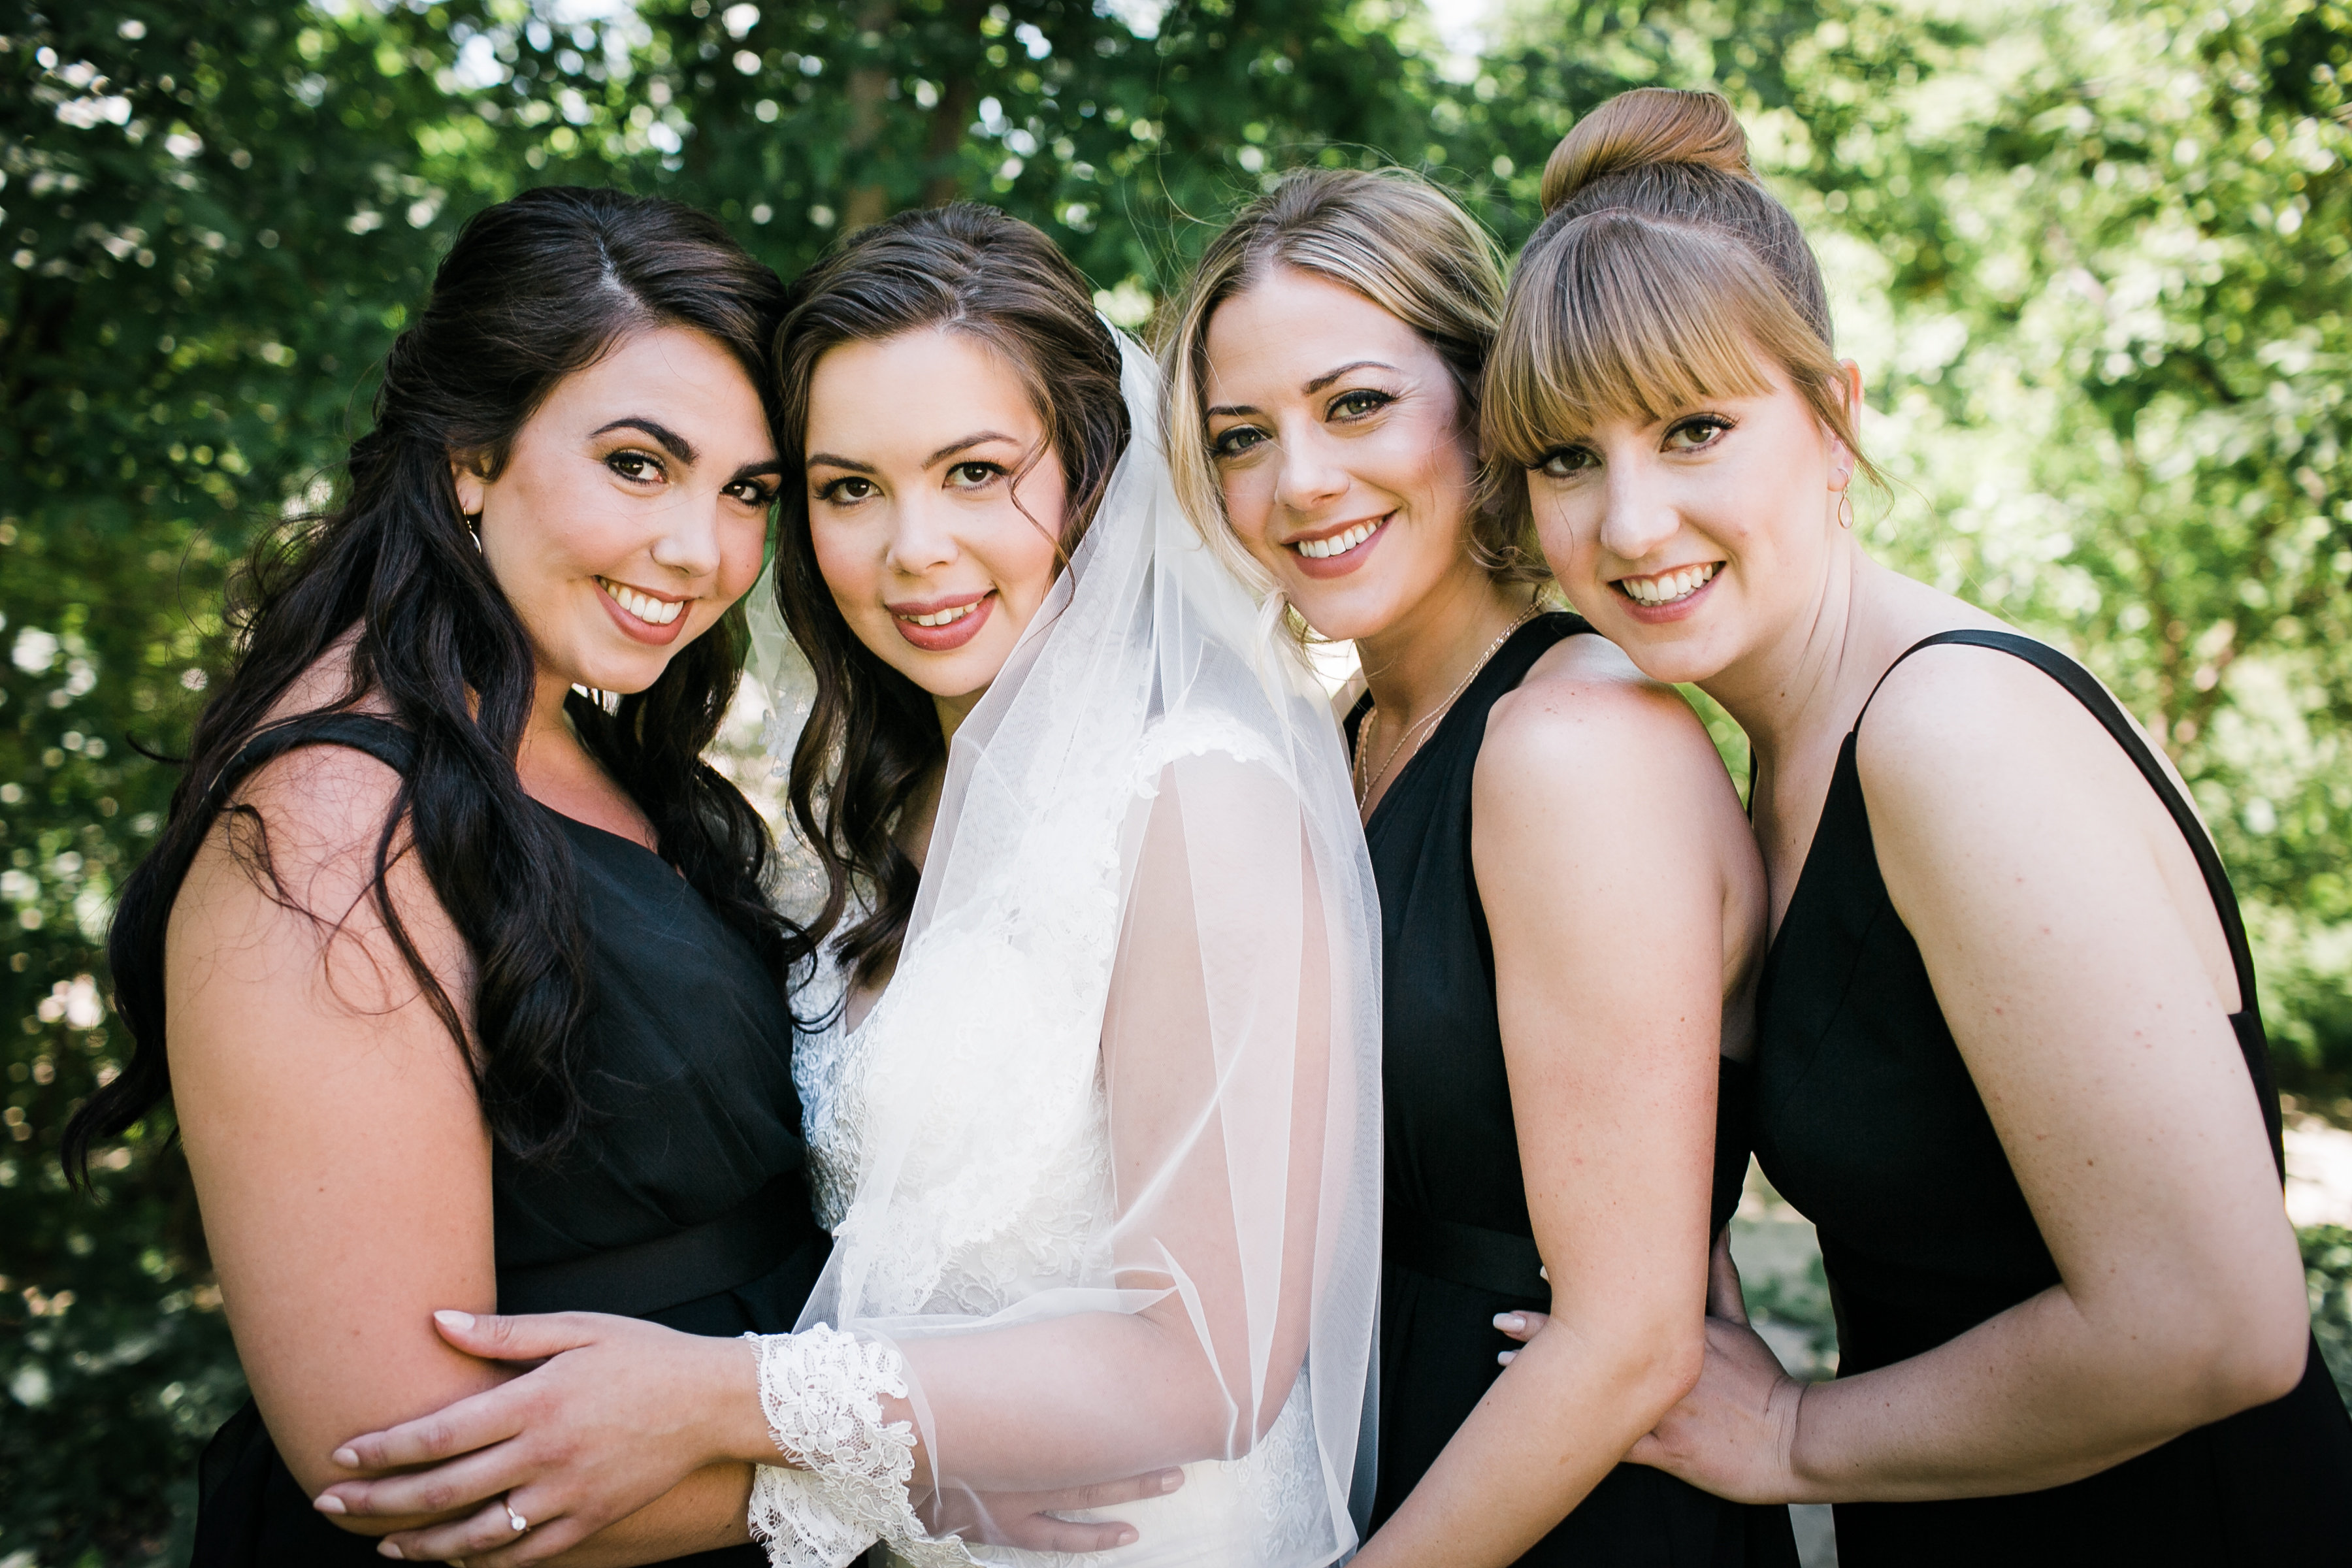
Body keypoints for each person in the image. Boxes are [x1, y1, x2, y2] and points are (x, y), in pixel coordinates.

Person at [306, 203, 1384, 1568]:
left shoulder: (1196, 797)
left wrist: (721, 1400)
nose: (912, 548)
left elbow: (1207, 1373)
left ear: (1094, 476)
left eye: (977, 472)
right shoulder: (879, 807)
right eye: (848, 487)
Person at [1482, 86, 2352, 1565]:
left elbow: (2220, 1323)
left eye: (1695, 429)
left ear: (1835, 420)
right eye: (1568, 457)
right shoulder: (1770, 749)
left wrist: (1792, 1435)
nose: (1629, 524)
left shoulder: (1951, 736)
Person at [59, 186, 835, 1566]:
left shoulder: (570, 732)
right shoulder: (324, 828)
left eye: (746, 492)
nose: (702, 551)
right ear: (473, 453)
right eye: (640, 465)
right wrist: (915, 1474)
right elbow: (405, 1462)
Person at [1161, 167, 1799, 1564]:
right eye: (1241, 438)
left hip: (1564, 1510)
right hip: (1389, 1469)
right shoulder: (1342, 738)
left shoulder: (1573, 743)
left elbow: (1632, 1336)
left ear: (1483, 398)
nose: (1301, 481)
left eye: (1357, 404)